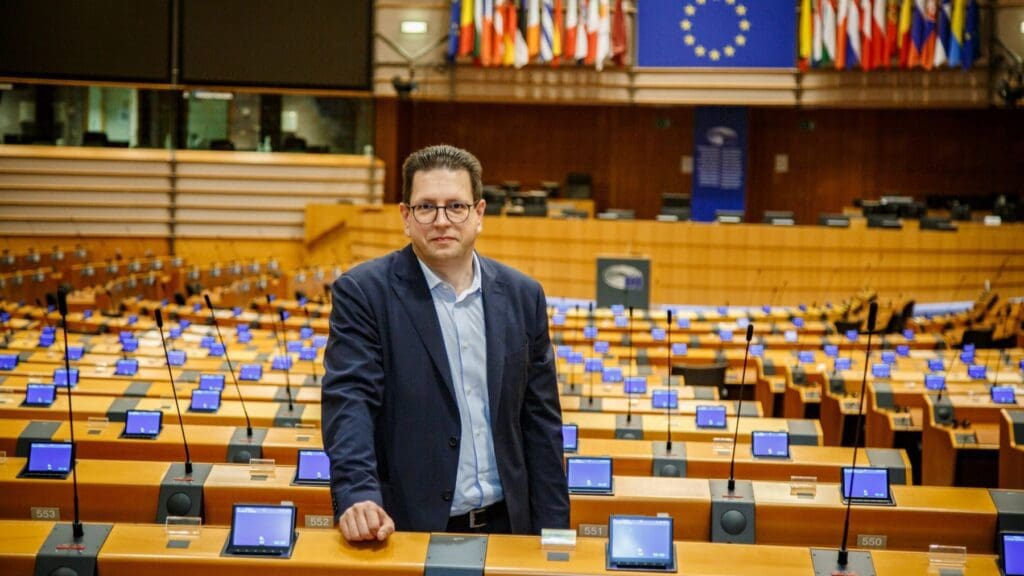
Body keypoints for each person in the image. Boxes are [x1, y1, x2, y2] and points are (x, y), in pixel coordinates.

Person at [321, 144, 569, 542]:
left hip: (508, 527)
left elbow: (541, 422)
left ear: (479, 213)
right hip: (405, 526)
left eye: (456, 206)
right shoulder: (364, 293)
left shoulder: (524, 296)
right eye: (425, 207)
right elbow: (350, 402)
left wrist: (555, 531)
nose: (441, 220)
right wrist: (357, 494)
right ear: (405, 216)